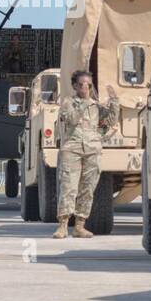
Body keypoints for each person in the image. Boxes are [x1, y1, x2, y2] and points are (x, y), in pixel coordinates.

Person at [53, 70, 119, 239]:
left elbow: (111, 120)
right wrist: (84, 103)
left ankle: (80, 225)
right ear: (75, 86)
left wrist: (114, 101)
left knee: (87, 188)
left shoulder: (95, 105)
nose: (86, 87)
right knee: (68, 187)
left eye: (89, 85)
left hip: (92, 150)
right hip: (72, 149)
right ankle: (63, 226)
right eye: (82, 84)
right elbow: (72, 119)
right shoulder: (68, 103)